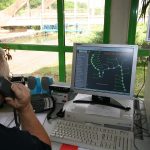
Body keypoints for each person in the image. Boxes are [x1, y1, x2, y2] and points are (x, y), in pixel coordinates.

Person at [0, 48, 52, 150]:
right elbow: (43, 147)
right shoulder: (10, 140)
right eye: (8, 79)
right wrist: (25, 108)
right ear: (2, 86)